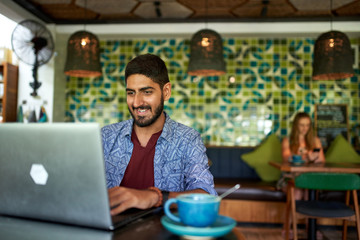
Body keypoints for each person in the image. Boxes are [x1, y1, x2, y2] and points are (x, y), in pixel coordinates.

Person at [101, 54, 216, 216]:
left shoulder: (188, 139)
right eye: (131, 93)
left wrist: (156, 197)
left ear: (166, 92)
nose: (136, 102)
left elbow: (207, 195)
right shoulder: (105, 137)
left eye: (146, 92)